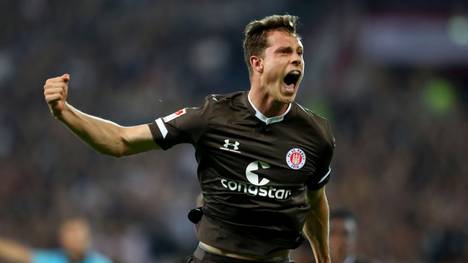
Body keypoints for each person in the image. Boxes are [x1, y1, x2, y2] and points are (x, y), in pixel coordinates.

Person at [43, 14, 335, 263]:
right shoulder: (212, 116)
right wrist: (65, 112)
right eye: (285, 52)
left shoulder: (316, 134)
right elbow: (121, 140)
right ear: (257, 63)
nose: (296, 58)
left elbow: (316, 202)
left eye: (299, 52)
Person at [0, 217, 111, 263]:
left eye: (78, 234)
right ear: (62, 240)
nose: (75, 238)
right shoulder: (55, 259)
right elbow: (22, 255)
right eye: (70, 233)